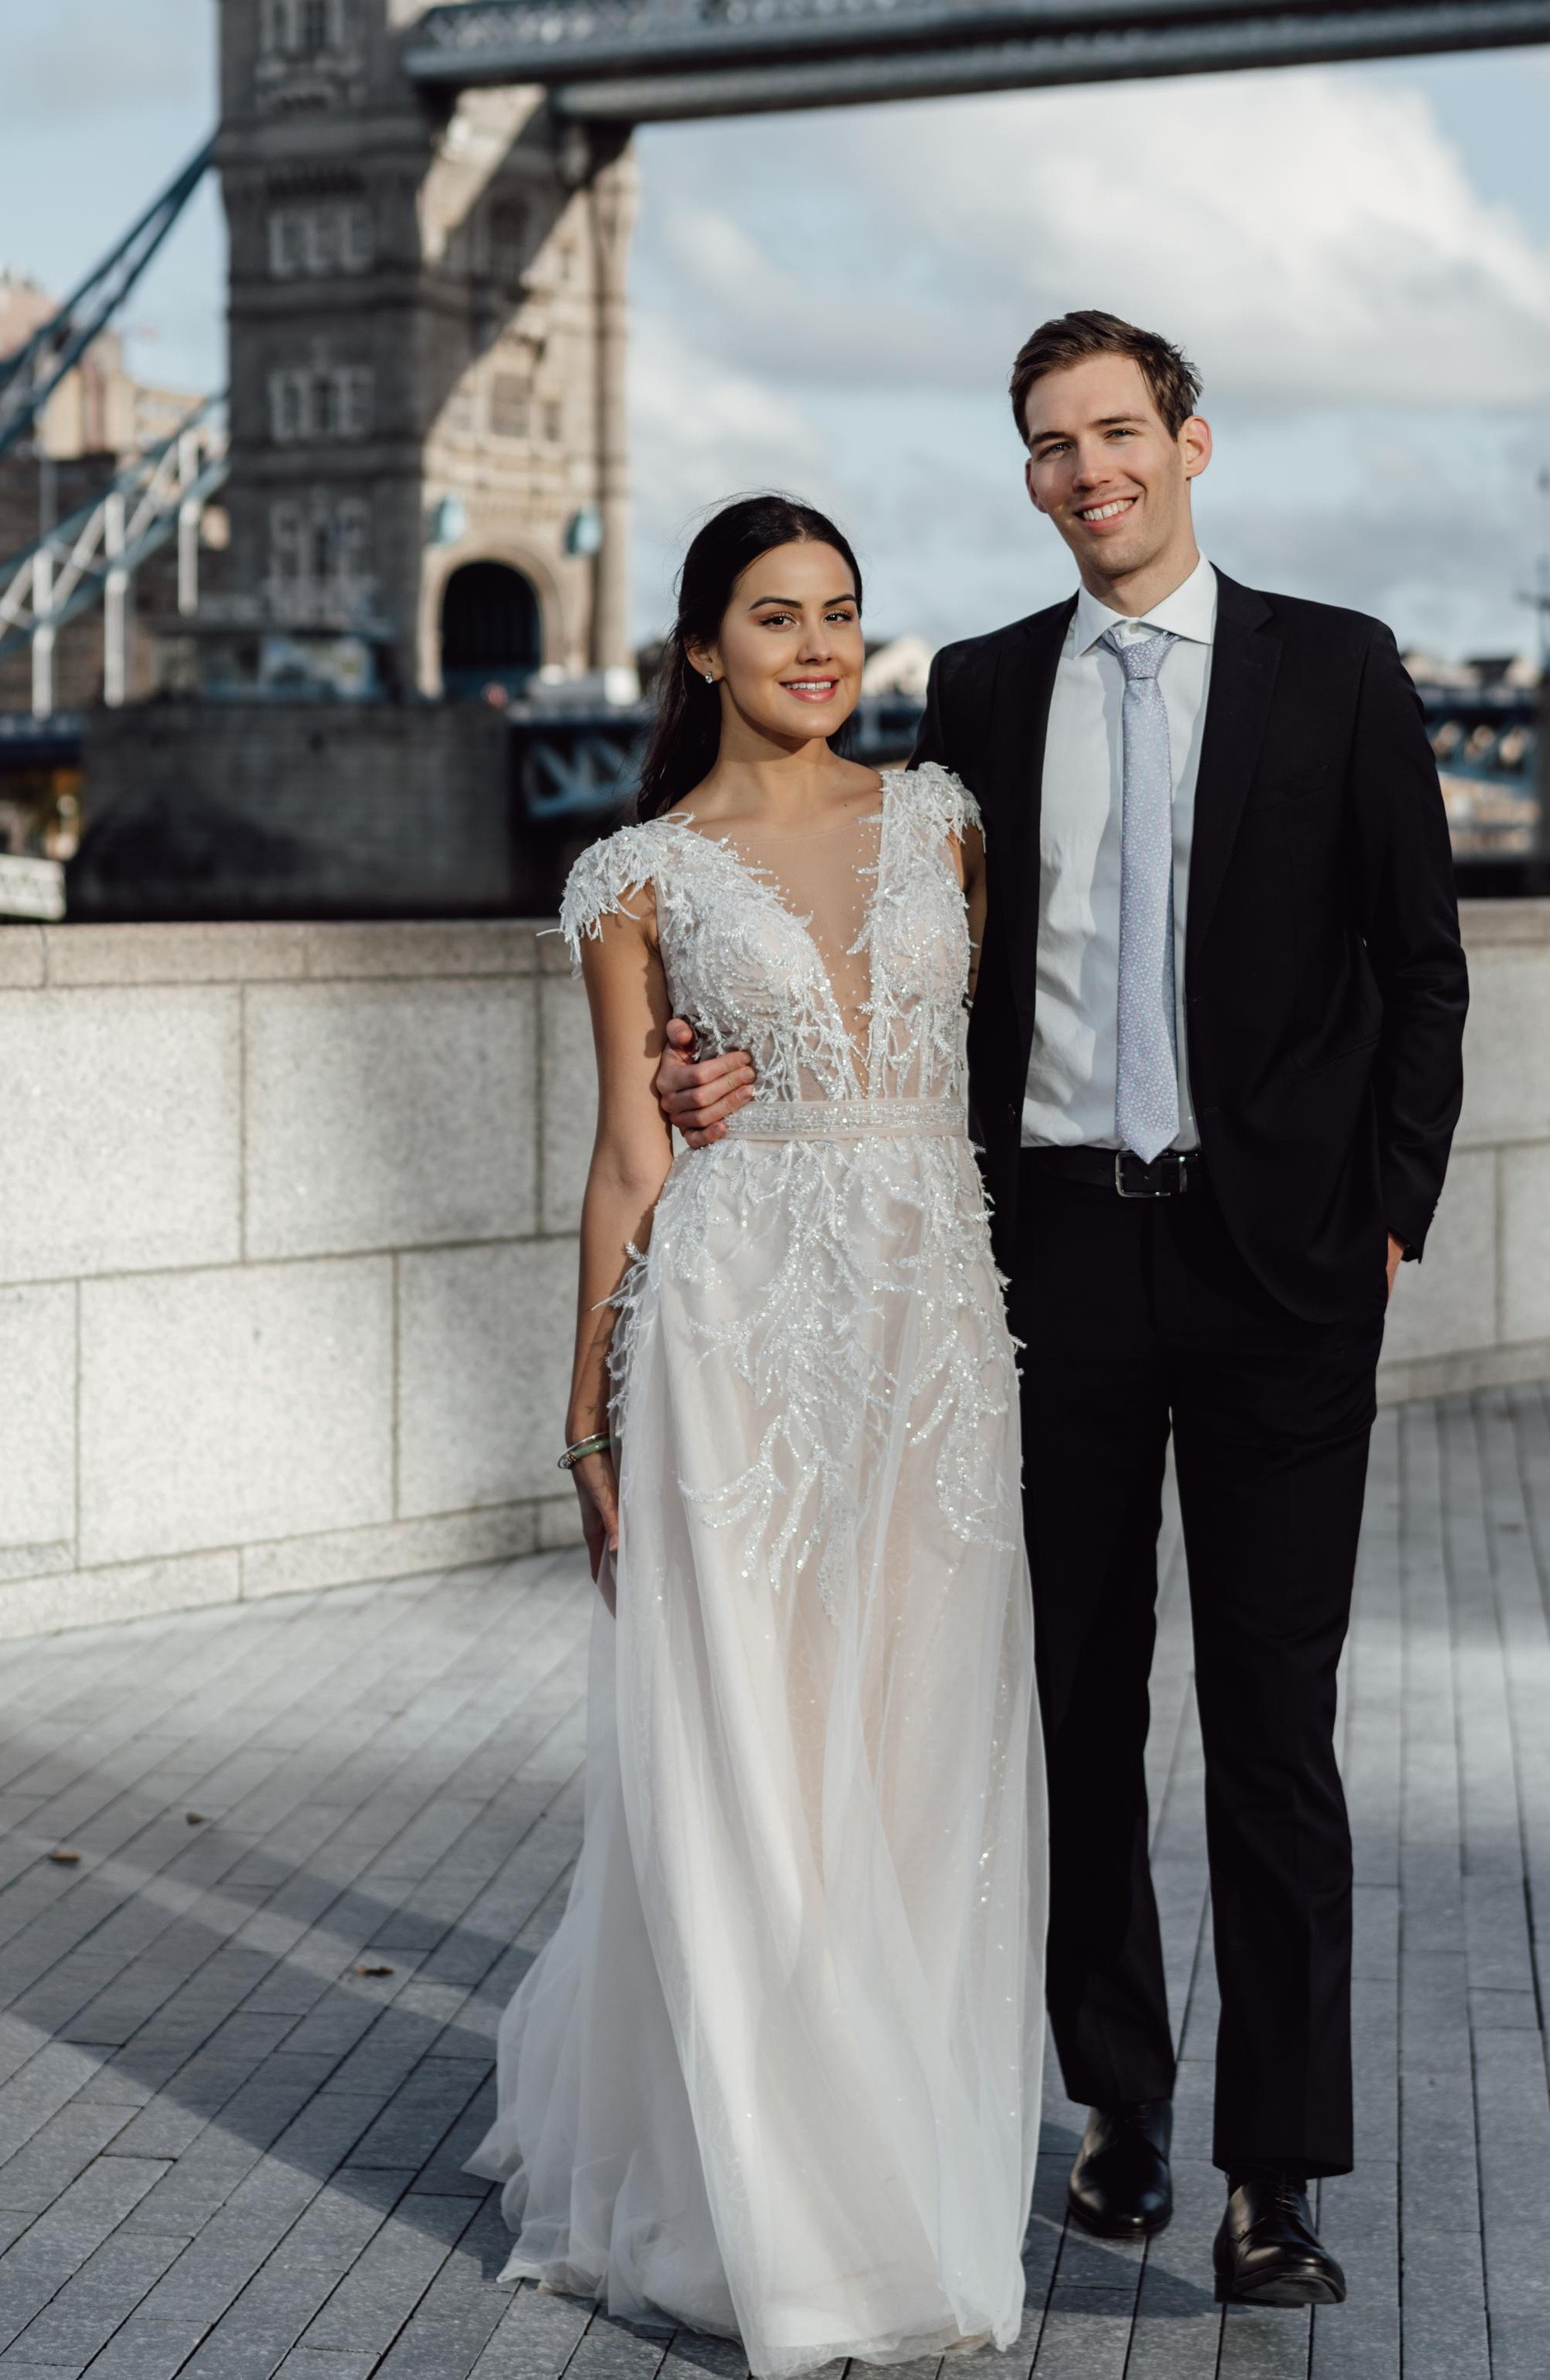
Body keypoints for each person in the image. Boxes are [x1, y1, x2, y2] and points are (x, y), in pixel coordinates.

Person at [660, 315, 1468, 2310]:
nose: (1085, 468)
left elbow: (1420, 965)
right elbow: (885, 944)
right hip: (1051, 1272)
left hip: (1279, 1272)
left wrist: (1386, 1219)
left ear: (1191, 440)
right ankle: (1114, 2097)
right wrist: (716, 1067)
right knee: (1072, 1711)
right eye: (1047, 443)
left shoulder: (1338, 668)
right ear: (1026, 474)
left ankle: (1269, 2171)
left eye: (1116, 431)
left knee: (1275, 1729)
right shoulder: (982, 695)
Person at [472, 494, 1044, 2379]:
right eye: (772, 614)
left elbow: (993, 1075)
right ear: (701, 647)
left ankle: (908, 2170)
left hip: (934, 1331)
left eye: (842, 615)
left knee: (917, 1748)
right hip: (731, 1331)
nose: (815, 646)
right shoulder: (637, 871)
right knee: (755, 1749)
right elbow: (633, 1154)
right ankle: (778, 2221)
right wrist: (584, 1422)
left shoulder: (945, 824)